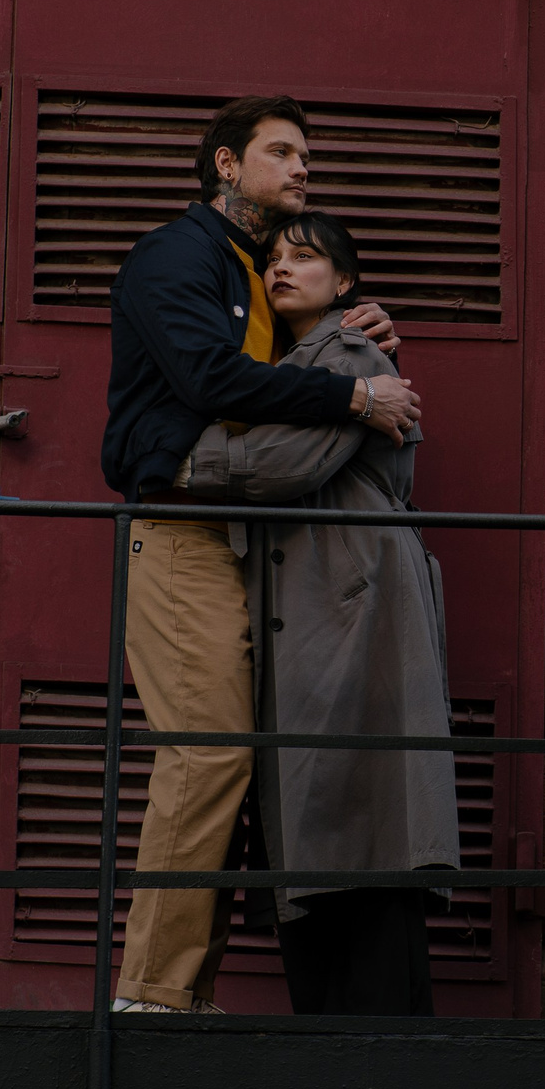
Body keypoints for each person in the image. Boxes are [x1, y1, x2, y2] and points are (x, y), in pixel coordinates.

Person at [100, 95, 422, 1015]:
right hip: (179, 529)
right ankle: (153, 996)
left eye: (308, 155)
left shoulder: (254, 272)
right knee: (207, 754)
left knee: (237, 762)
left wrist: (355, 334)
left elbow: (282, 371)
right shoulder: (177, 255)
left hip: (244, 543)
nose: (302, 168)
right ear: (227, 167)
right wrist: (354, 398)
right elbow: (207, 376)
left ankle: (185, 999)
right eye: (281, 152)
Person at [179, 209, 459, 1016]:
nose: (281, 266)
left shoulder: (354, 351)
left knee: (362, 811)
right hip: (317, 598)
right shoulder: (289, 363)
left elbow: (287, 464)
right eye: (272, 257)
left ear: (345, 284)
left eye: (305, 257)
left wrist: (185, 458)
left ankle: (375, 1042)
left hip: (356, 596)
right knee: (323, 811)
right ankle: (340, 1030)